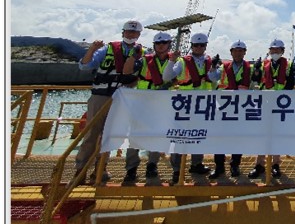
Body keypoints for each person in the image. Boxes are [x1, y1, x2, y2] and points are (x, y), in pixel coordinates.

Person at [72, 19, 144, 185]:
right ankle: (80, 170)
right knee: (92, 133)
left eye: (135, 33)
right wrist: (91, 49)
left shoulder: (141, 53)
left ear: (139, 35)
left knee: (110, 134)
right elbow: (85, 66)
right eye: (129, 32)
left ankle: (101, 168)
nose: (131, 35)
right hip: (101, 95)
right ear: (123, 32)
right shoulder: (108, 49)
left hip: (121, 99)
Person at [121, 31, 180, 185]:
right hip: (143, 103)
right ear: (154, 45)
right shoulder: (144, 61)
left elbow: (177, 79)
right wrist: (133, 56)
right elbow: (126, 72)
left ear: (169, 45)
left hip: (162, 104)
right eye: (158, 43)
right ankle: (131, 168)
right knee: (135, 137)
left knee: (158, 135)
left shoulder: (175, 62)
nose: (161, 46)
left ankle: (152, 165)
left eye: (164, 43)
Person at [164, 32, 213, 185]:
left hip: (202, 104)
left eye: (202, 45)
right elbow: (167, 76)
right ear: (192, 46)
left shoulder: (210, 62)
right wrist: (171, 62)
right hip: (184, 104)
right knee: (180, 136)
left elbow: (215, 79)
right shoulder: (182, 62)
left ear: (205, 46)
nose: (199, 48)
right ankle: (177, 169)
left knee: (199, 135)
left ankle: (196, 164)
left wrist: (215, 70)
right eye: (196, 45)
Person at [247, 38, 295, 179]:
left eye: (277, 50)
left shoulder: (288, 65)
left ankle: (275, 164)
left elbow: (290, 84)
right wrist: (255, 70)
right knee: (262, 135)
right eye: (272, 50)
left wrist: (279, 97)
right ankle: (259, 165)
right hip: (265, 104)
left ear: (282, 51)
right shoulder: (263, 65)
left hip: (280, 106)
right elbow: (255, 81)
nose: (274, 52)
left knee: (277, 135)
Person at [207, 40, 252, 180]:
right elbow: (211, 77)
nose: (238, 53)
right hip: (223, 108)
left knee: (238, 138)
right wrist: (213, 67)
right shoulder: (223, 68)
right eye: (235, 50)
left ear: (245, 52)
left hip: (241, 108)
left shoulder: (250, 68)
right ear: (231, 52)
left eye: (240, 51)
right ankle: (219, 167)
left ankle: (235, 165)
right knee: (220, 137)